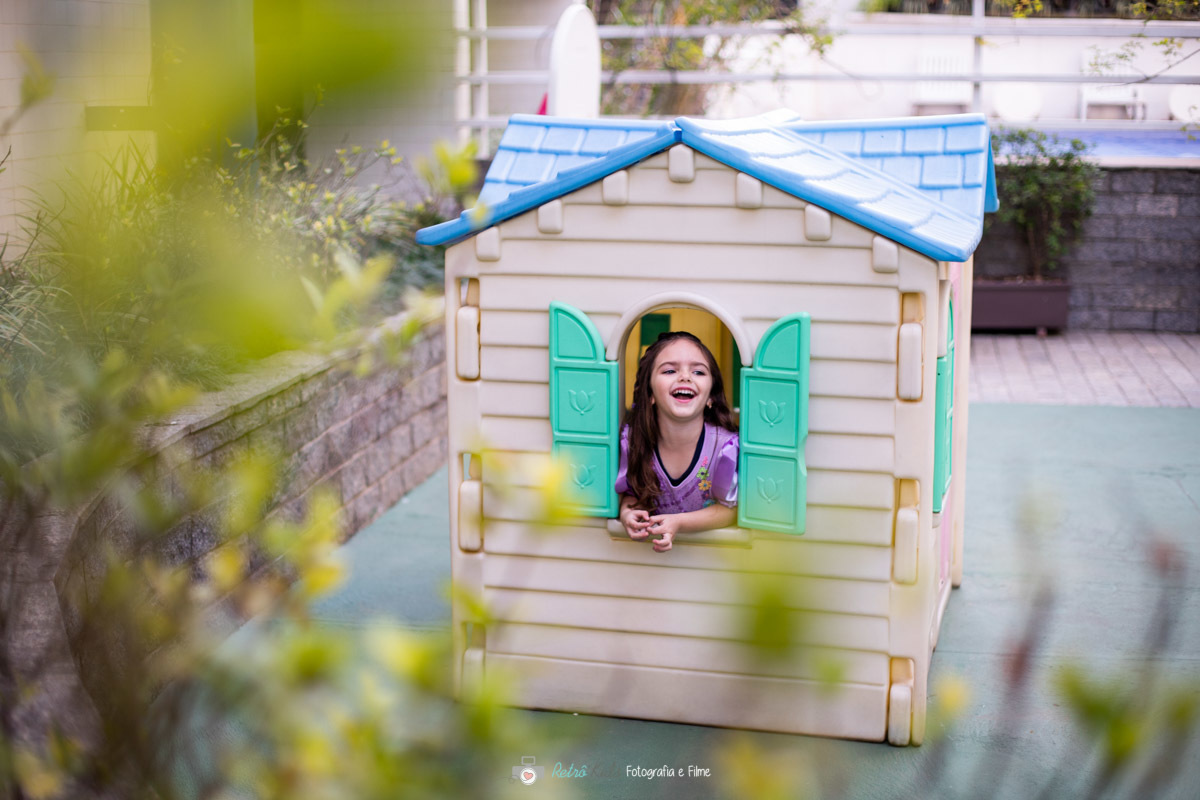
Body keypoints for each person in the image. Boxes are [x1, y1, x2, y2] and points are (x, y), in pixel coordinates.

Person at [616, 331, 739, 552]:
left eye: (698, 372)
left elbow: (729, 510)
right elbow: (632, 494)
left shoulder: (725, 448)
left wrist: (679, 523)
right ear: (650, 393)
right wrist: (627, 513)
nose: (685, 377)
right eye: (670, 371)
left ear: (711, 396)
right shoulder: (633, 440)